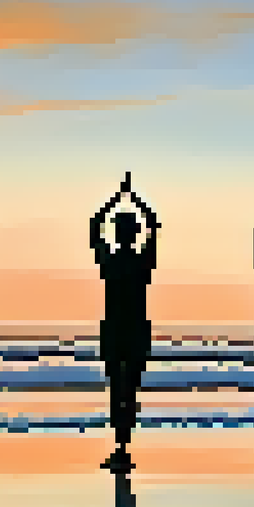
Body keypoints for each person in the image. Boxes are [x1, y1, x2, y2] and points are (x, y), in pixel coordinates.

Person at [92, 175, 159, 472]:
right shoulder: (141, 260)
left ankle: (121, 447)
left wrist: (117, 199)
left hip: (117, 329)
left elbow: (94, 227)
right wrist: (135, 201)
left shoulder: (111, 260)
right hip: (133, 330)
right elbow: (155, 227)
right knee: (128, 388)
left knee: (118, 388)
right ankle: (123, 445)